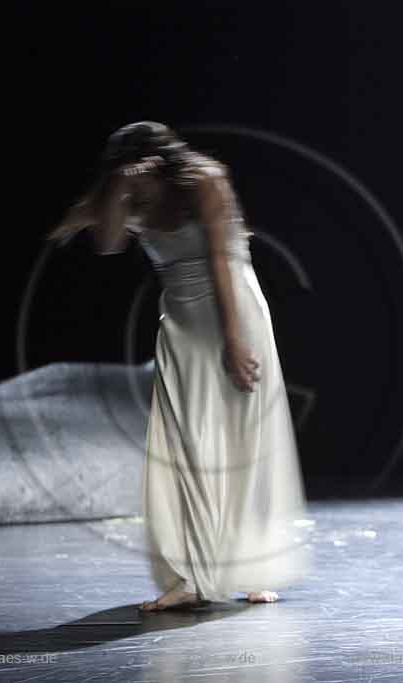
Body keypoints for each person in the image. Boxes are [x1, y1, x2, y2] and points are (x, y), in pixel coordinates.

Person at [48, 121, 310, 611]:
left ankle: (251, 566)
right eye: (124, 172)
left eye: (141, 170)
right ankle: (190, 577)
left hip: (233, 310)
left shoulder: (206, 179)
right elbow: (105, 245)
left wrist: (234, 341)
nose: (134, 178)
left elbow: (221, 260)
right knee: (185, 443)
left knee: (241, 435)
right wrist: (117, 192)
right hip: (181, 323)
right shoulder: (124, 193)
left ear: (161, 163)